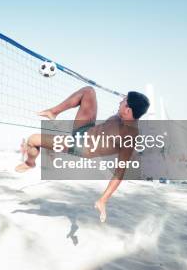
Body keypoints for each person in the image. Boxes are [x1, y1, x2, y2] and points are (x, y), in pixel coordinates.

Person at [16, 87, 149, 222]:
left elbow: (120, 172)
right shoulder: (125, 114)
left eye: (124, 100)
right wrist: (129, 98)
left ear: (128, 110)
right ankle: (53, 112)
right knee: (89, 91)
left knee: (32, 140)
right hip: (87, 128)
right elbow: (133, 105)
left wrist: (103, 200)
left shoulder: (129, 135)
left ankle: (30, 163)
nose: (120, 101)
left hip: (80, 146)